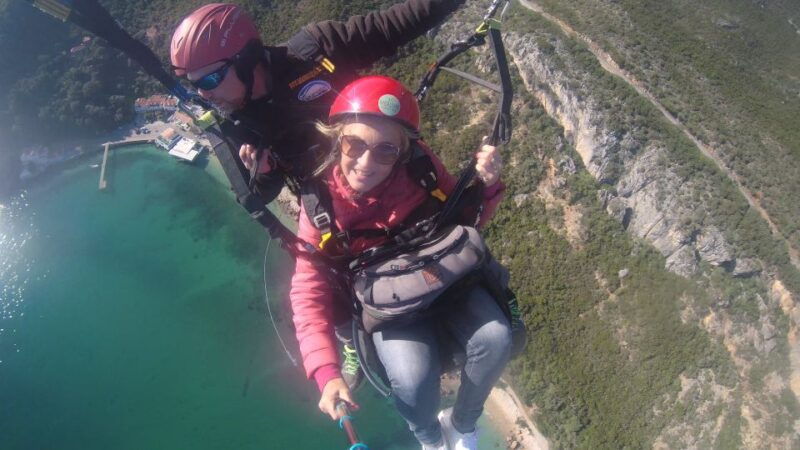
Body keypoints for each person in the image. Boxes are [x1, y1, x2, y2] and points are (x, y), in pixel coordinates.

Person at [288, 75, 511, 450]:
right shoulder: (321, 206)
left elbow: (462, 220)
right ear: (337, 139)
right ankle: (430, 439)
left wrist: (486, 187)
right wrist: (326, 371)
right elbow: (307, 288)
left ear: (403, 152)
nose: (366, 162)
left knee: (496, 338)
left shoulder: (420, 171)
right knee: (411, 378)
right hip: (391, 305)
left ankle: (462, 425)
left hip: (443, 278)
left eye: (385, 150)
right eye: (353, 144)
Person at [170, 1, 464, 202]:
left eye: (208, 81)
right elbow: (255, 198)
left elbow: (391, 27)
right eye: (193, 86)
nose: (203, 94)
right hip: (339, 214)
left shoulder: (314, 52)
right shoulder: (238, 125)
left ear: (246, 63)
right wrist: (265, 173)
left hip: (397, 175)